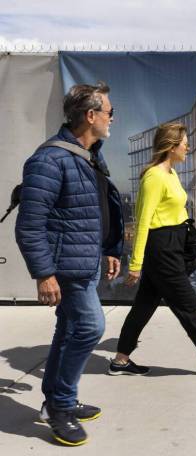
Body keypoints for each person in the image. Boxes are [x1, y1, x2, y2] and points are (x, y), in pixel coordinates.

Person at [15, 82, 123, 446]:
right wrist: (44, 273)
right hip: (67, 265)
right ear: (91, 116)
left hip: (88, 259)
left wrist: (110, 248)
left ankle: (56, 400)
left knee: (70, 328)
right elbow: (30, 225)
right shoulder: (49, 160)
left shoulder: (89, 155)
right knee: (91, 327)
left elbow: (95, 211)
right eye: (109, 112)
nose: (113, 118)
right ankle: (59, 407)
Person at [109, 122, 196, 377]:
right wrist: (135, 264)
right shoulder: (154, 176)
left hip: (173, 244)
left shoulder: (171, 173)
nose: (188, 147)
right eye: (184, 143)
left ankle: (120, 361)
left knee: (144, 306)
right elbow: (143, 220)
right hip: (161, 249)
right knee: (187, 301)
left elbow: (176, 210)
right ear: (171, 146)